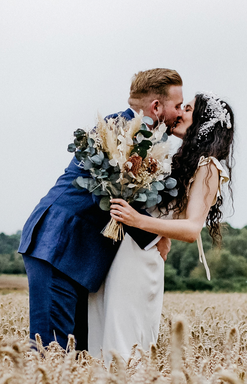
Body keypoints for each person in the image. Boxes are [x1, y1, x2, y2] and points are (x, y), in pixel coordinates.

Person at [19, 69, 183, 351]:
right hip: (59, 245)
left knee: (79, 354)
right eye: (177, 106)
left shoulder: (143, 138)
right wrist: (159, 237)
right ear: (156, 107)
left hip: (81, 257)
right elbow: (116, 198)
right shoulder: (117, 131)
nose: (180, 113)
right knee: (50, 352)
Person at [88, 92, 235, 362]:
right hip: (123, 248)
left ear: (204, 121)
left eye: (187, 109)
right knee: (102, 332)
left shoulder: (209, 166)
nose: (179, 113)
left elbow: (192, 229)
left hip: (141, 257)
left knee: (125, 342)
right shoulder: (180, 159)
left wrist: (139, 221)